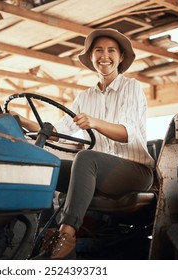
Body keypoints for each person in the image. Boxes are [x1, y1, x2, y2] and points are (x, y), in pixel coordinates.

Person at [12, 28, 155, 259]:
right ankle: (47, 234)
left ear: (120, 57)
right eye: (98, 50)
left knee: (86, 158)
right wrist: (20, 120)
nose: (104, 56)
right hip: (98, 170)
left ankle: (66, 235)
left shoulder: (132, 87)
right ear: (90, 57)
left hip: (134, 170)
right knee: (47, 166)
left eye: (111, 51)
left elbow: (127, 133)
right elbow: (59, 132)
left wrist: (95, 122)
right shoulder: (84, 97)